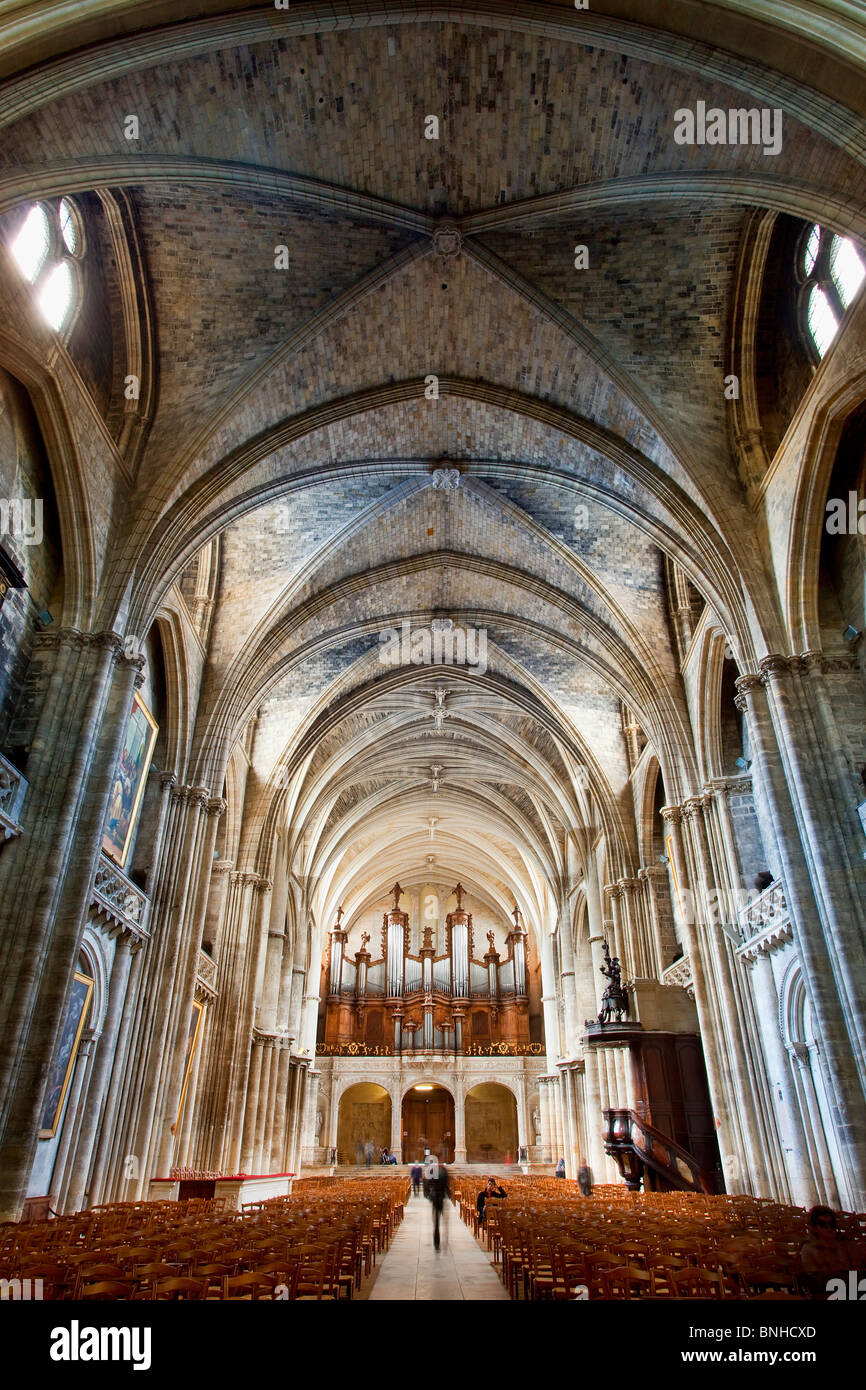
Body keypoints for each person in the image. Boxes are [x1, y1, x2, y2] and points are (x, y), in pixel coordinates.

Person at [799, 1206, 859, 1296]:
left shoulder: (844, 1244)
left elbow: (857, 1266)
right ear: (814, 1228)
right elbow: (814, 1280)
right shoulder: (808, 1248)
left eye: (832, 1224)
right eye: (823, 1224)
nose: (829, 1228)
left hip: (851, 1288)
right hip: (827, 1292)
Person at [430, 1162, 451, 1250]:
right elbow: (447, 1185)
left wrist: (429, 1195)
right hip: (441, 1197)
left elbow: (429, 1184)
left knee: (436, 1221)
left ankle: (436, 1242)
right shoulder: (444, 1171)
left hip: (435, 1198)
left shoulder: (433, 1171)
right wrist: (448, 1195)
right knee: (443, 1221)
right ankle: (443, 1239)